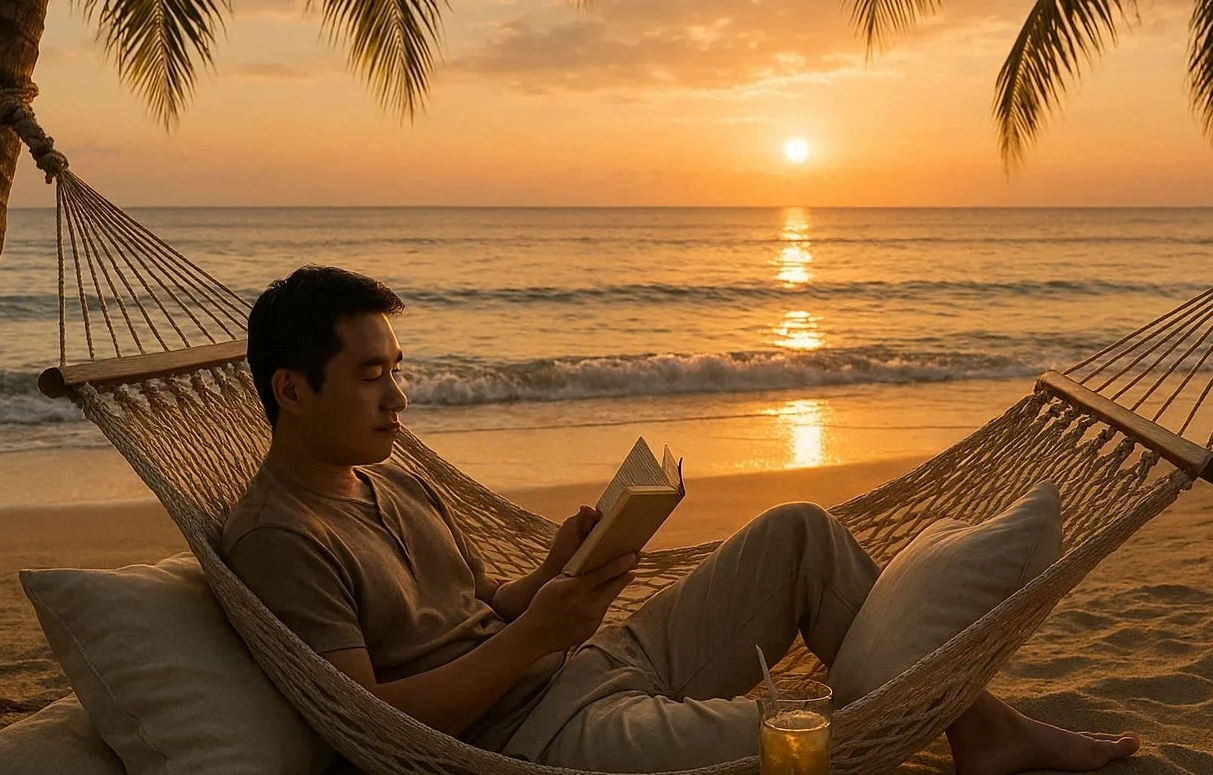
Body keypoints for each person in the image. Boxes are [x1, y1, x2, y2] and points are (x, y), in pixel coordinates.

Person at [221, 265, 1141, 774]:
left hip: (587, 660)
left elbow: (477, 607)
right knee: (811, 740)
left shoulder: (388, 473)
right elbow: (366, 718)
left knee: (796, 529)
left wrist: (550, 574)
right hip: (529, 738)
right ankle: (968, 729)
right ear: (292, 390)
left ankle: (977, 726)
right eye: (372, 376)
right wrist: (532, 635)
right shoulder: (280, 538)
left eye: (397, 369)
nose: (400, 400)